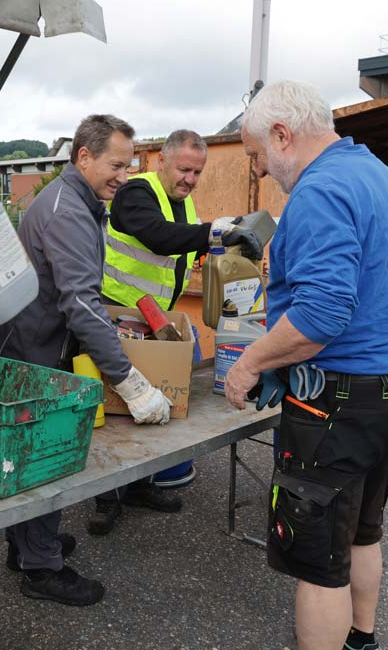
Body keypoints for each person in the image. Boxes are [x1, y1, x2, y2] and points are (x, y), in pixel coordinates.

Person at [224, 80, 388, 650]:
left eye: (257, 157)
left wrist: (250, 364)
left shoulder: (319, 191)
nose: (260, 171)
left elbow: (322, 312)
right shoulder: (378, 175)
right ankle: (362, 639)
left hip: (337, 405)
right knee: (360, 532)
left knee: (319, 565)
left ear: (283, 135)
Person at [0, 114, 173, 606]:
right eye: (116, 164)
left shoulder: (77, 200)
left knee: (30, 457)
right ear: (84, 157)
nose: (124, 175)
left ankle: (26, 545)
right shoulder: (68, 212)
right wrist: (131, 383)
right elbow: (81, 303)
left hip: (30, 344)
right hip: (33, 351)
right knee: (44, 460)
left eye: (130, 165)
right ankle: (42, 568)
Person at [90, 129, 264, 536]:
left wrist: (229, 247)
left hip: (154, 322)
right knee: (114, 411)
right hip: (114, 317)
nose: (190, 179)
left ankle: (137, 486)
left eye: (197, 172)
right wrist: (215, 231)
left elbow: (186, 248)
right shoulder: (135, 192)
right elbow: (158, 236)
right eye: (184, 169)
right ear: (162, 162)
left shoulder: (184, 205)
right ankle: (104, 499)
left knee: (147, 411)